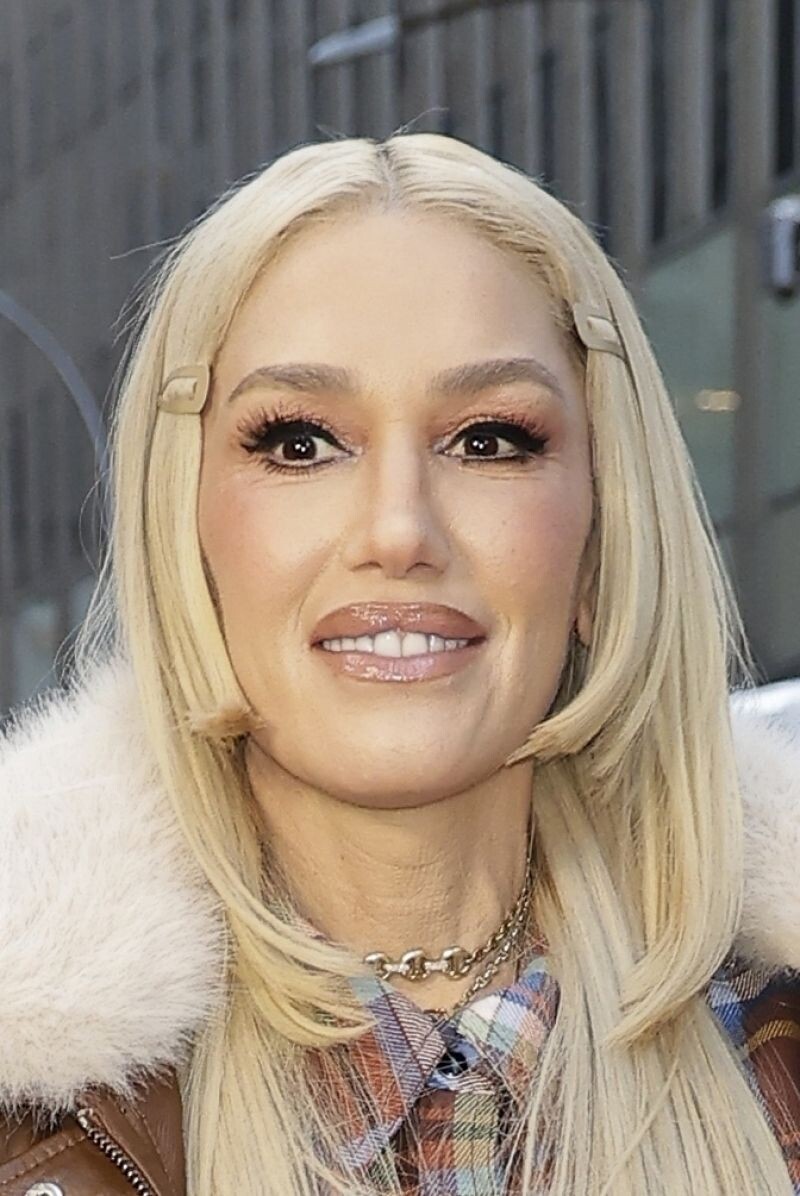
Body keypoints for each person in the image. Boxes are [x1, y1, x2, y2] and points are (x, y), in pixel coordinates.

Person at [0, 133, 798, 1196]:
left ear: (604, 533)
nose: (398, 530)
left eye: (488, 439)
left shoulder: (774, 1030)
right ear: (183, 528)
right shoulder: (32, 1104)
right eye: (298, 442)